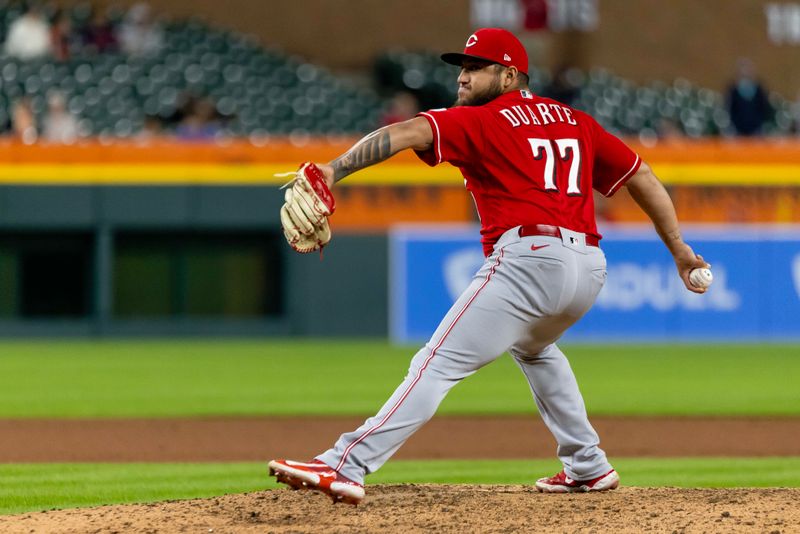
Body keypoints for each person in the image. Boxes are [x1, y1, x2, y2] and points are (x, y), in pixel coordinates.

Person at [269, 28, 709, 505]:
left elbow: (405, 133)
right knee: (536, 349)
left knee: (434, 365)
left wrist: (334, 169)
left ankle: (344, 465)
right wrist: (679, 248)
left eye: (476, 67)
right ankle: (588, 464)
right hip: (588, 268)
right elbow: (639, 174)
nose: (463, 77)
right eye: (462, 67)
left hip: (529, 260)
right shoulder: (576, 120)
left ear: (509, 75)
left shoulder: (482, 121)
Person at [725, 58, 772, 136]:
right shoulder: (733, 90)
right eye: (743, 69)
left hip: (756, 130)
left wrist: (759, 123)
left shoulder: (759, 89)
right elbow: (730, 109)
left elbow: (764, 107)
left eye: (748, 69)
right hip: (738, 131)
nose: (745, 72)